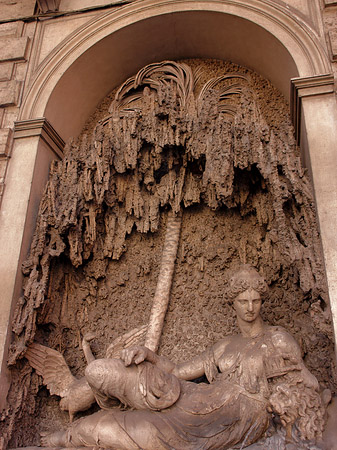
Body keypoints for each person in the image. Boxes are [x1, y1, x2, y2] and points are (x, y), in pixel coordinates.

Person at [41, 265, 323, 449]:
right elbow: (177, 371)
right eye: (243, 301)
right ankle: (76, 431)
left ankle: (70, 436)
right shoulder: (224, 346)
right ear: (232, 303)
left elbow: (302, 384)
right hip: (197, 398)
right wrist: (148, 355)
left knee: (137, 430)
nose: (250, 307)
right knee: (99, 372)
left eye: (256, 300)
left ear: (262, 301)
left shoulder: (278, 337)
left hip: (234, 417)